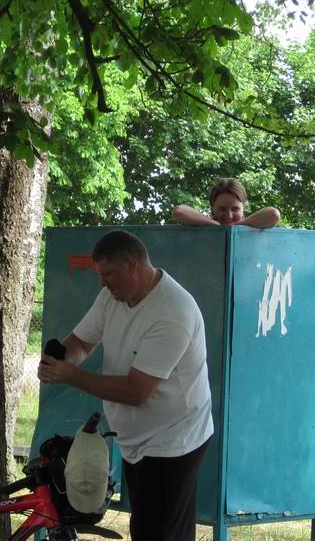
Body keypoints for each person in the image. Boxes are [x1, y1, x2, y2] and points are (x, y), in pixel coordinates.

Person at [38, 230, 213, 541]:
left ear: (132, 265)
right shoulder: (112, 296)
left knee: (156, 533)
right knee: (154, 530)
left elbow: (137, 391)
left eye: (107, 274)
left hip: (173, 441)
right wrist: (59, 361)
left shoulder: (172, 312)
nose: (102, 284)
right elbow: (82, 341)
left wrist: (70, 375)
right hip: (137, 439)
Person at [172, 177, 280, 228]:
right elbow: (179, 212)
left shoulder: (253, 223)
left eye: (235, 209)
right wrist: (216, 225)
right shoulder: (205, 223)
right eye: (222, 209)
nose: (229, 216)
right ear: (212, 206)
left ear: (244, 206)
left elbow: (273, 215)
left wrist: (237, 226)